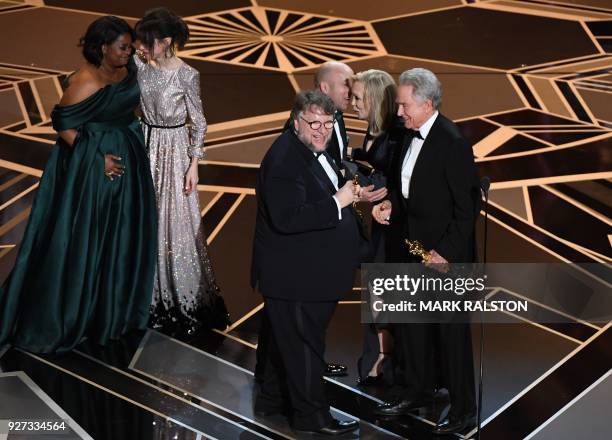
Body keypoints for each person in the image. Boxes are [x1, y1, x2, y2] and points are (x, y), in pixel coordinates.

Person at [0, 16, 157, 354]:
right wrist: (97, 158)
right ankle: (76, 314)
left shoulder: (127, 69)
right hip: (93, 169)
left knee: (122, 233)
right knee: (91, 234)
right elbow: (63, 124)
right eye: (123, 47)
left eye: (129, 47)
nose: (129, 53)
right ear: (103, 48)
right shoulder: (85, 81)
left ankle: (113, 311)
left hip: (128, 153)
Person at [371, 68, 480, 435]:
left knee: (451, 338)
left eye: (404, 104)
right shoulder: (405, 135)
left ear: (427, 103)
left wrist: (444, 253)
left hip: (443, 260)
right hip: (408, 249)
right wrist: (391, 208)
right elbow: (406, 191)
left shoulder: (453, 144)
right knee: (412, 329)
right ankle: (416, 391)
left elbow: (467, 212)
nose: (399, 111)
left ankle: (464, 409)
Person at [251, 90, 362, 436]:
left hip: (306, 273)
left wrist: (351, 194)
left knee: (284, 345)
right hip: (296, 278)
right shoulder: (285, 161)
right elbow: (288, 218)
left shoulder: (309, 149)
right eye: (314, 123)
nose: (321, 131)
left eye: (328, 124)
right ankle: (312, 419)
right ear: (296, 120)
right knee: (304, 350)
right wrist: (338, 201)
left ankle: (271, 401)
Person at [134, 7, 229, 337]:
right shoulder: (138, 66)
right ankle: (139, 296)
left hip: (174, 151)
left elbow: (199, 122)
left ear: (167, 42)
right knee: (142, 220)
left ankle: (176, 299)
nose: (140, 48)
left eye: (147, 43)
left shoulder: (187, 74)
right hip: (144, 143)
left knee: (173, 224)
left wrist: (193, 164)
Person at [349, 69, 403, 386]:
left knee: (388, 289)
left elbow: (403, 179)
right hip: (379, 221)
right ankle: (380, 356)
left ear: (373, 97)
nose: (352, 103)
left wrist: (389, 201)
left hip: (393, 225)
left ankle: (389, 360)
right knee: (377, 288)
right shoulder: (374, 127)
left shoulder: (396, 133)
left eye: (357, 97)